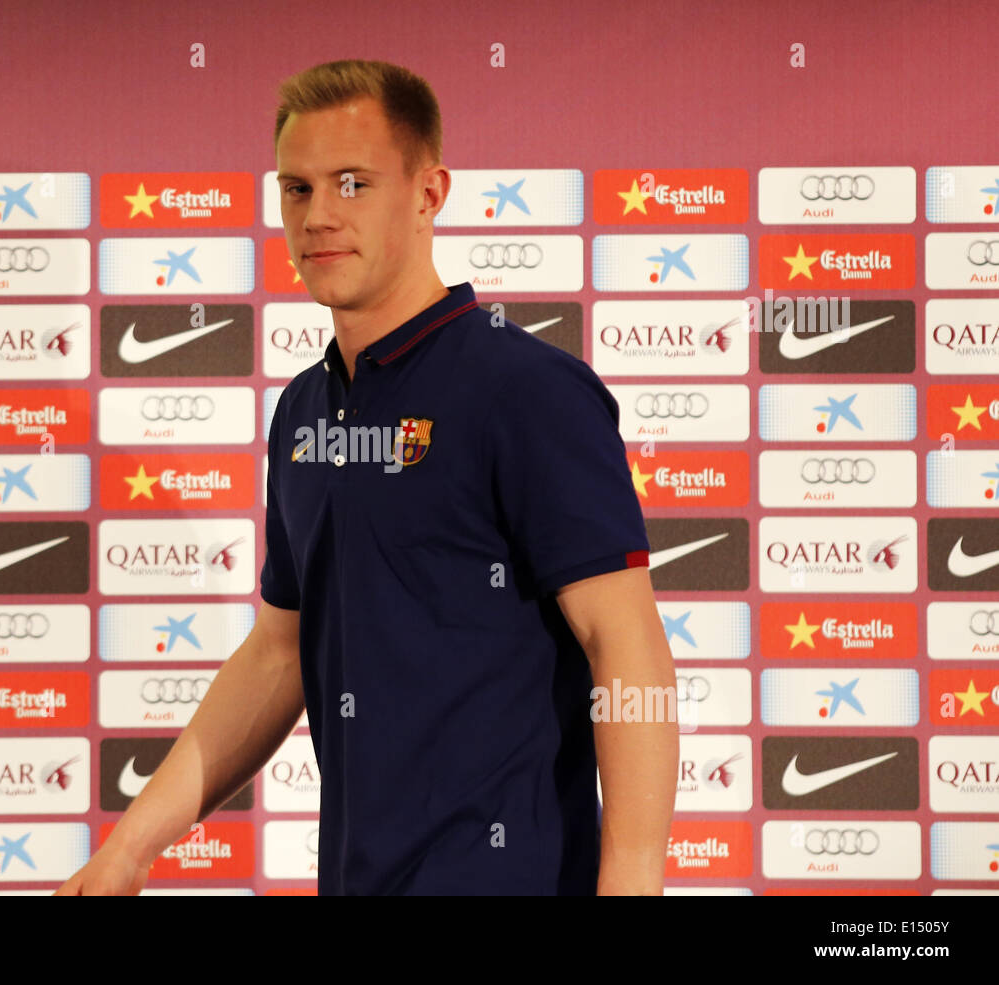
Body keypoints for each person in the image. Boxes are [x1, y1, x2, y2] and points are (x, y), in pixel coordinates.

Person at [56, 59, 677, 896]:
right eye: (297, 189)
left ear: (429, 193)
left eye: (353, 183)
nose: (319, 216)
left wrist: (634, 880)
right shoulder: (305, 412)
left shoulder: (527, 391)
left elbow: (625, 645)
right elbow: (280, 653)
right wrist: (131, 847)